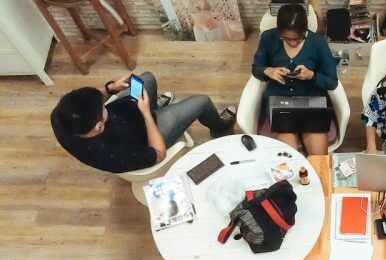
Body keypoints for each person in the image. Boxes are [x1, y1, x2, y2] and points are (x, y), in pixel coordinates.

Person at [51, 72, 236, 174]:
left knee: (146, 78)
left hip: (129, 115)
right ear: (99, 127)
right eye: (103, 107)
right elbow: (158, 154)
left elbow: (95, 98)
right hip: (146, 137)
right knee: (201, 102)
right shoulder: (111, 154)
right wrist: (147, 114)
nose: (105, 102)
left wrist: (111, 89)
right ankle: (220, 129)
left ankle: (154, 106)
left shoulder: (61, 116)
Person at [251, 4, 338, 155]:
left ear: (305, 31)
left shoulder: (318, 43)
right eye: (286, 38)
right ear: (279, 32)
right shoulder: (268, 38)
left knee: (319, 161)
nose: (292, 43)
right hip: (281, 104)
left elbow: (332, 82)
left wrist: (312, 75)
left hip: (311, 104)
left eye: (297, 39)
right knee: (290, 161)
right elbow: (256, 69)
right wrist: (268, 71)